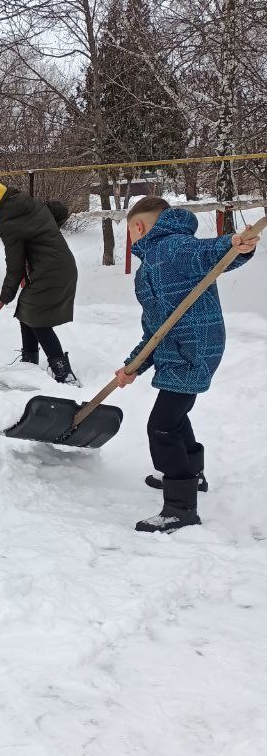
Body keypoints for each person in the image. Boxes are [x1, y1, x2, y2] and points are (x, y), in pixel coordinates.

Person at [115, 196, 258, 534]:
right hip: (175, 348)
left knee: (161, 427)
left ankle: (180, 507)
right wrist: (132, 365)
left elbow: (211, 254)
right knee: (174, 418)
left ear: (138, 227)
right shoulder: (150, 266)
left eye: (129, 233)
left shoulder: (172, 249)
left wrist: (238, 245)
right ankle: (192, 475)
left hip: (193, 350)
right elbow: (153, 329)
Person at [0, 180, 79, 383]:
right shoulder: (29, 205)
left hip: (51, 271)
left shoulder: (10, 222)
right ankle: (29, 363)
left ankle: (63, 371)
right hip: (60, 266)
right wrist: (45, 233)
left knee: (36, 316)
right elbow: (60, 209)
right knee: (26, 311)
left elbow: (14, 267)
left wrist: (5, 296)